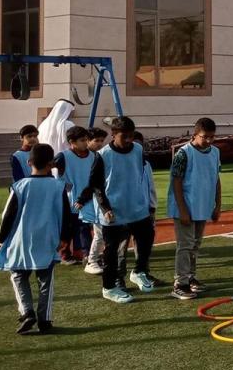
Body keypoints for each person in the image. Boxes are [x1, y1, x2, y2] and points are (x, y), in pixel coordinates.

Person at [78, 115, 155, 304]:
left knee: (147, 237)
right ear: (113, 135)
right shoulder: (103, 155)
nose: (129, 140)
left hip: (137, 207)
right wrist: (105, 208)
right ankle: (109, 287)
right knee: (111, 251)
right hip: (113, 211)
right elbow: (96, 185)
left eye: (131, 136)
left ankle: (139, 272)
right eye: (124, 136)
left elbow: (138, 173)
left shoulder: (138, 149)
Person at [0, 143, 71, 334]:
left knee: (18, 275)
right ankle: (44, 320)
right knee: (46, 280)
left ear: (29, 162)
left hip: (22, 239)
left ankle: (27, 311)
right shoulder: (58, 187)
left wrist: (1, 237)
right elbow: (66, 214)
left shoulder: (19, 186)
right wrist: (65, 238)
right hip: (47, 238)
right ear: (51, 164)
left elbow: (9, 215)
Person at [167, 117, 221, 300]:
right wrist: (182, 210)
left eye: (212, 137)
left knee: (195, 244)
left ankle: (190, 277)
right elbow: (176, 182)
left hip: (203, 206)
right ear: (195, 134)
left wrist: (217, 205)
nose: (209, 140)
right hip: (186, 207)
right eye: (205, 137)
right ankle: (180, 283)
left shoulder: (215, 152)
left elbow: (216, 179)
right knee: (185, 245)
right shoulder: (184, 153)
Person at [52, 125, 95, 264]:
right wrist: (63, 186)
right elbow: (48, 168)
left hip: (87, 198)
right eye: (82, 140)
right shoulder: (63, 156)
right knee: (68, 228)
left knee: (84, 227)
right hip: (68, 200)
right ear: (72, 141)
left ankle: (83, 253)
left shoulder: (93, 156)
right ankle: (65, 254)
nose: (86, 143)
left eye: (87, 140)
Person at [129, 131, 163, 291]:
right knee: (120, 246)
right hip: (126, 211)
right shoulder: (120, 162)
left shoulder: (146, 164)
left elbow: (150, 187)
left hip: (144, 210)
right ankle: (118, 280)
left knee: (143, 244)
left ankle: (143, 272)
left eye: (139, 144)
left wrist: (152, 205)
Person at [82, 127, 108, 275]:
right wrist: (82, 198)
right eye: (96, 140)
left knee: (105, 232)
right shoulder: (91, 157)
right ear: (88, 141)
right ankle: (91, 260)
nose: (99, 143)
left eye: (101, 141)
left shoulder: (101, 155)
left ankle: (99, 258)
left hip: (101, 197)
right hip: (94, 198)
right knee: (98, 232)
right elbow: (92, 182)